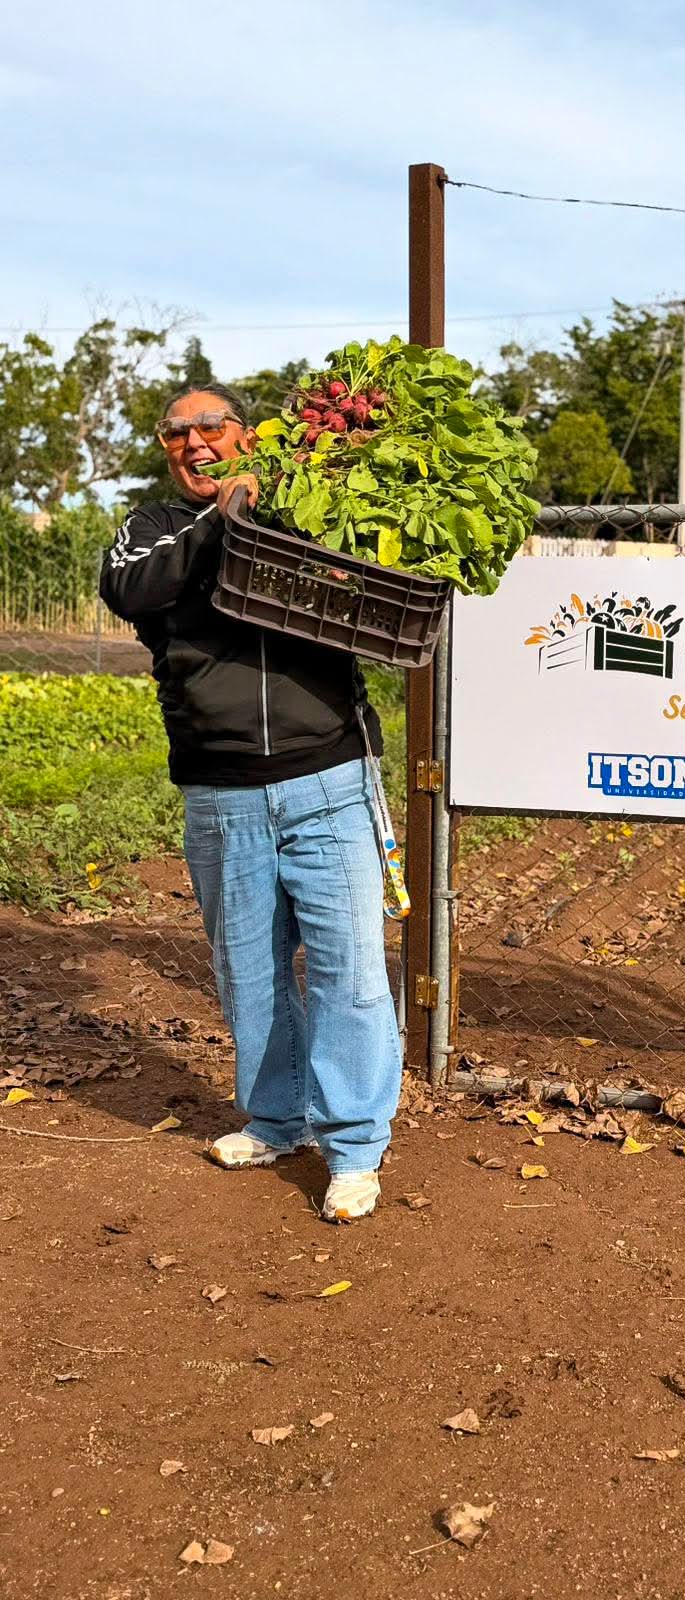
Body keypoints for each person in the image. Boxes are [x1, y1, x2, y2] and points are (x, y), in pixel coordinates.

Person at [100, 384, 402, 1221]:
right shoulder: (153, 528)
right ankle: (277, 1119)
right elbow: (133, 588)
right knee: (251, 973)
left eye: (213, 427)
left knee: (351, 972)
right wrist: (223, 515)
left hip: (330, 780)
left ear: (248, 434)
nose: (195, 442)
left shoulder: (306, 506)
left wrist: (269, 506)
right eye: (178, 432)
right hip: (220, 793)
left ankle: (353, 1147)